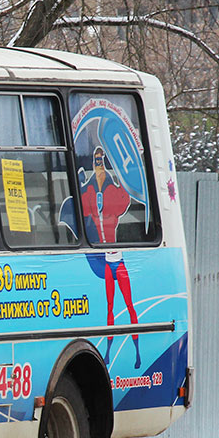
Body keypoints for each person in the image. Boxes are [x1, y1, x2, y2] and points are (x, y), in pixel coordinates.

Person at [79, 146, 140, 368]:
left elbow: (125, 197)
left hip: (119, 260)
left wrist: (121, 178)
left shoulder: (113, 191)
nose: (98, 165)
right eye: (95, 161)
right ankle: (106, 353)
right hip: (105, 261)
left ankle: (137, 352)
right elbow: (81, 209)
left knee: (130, 305)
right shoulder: (89, 193)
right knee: (110, 309)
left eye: (101, 160)